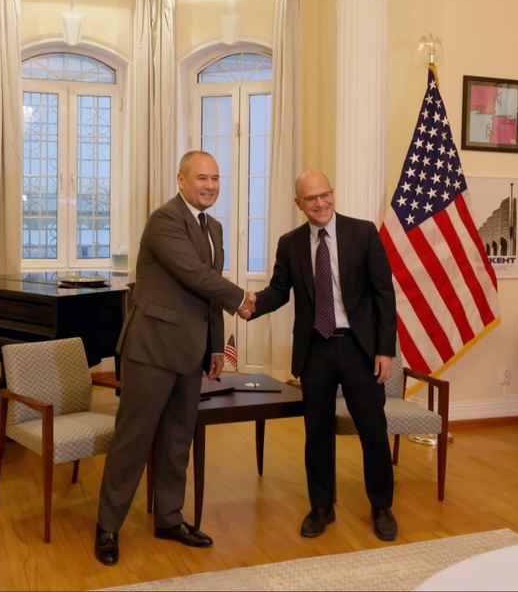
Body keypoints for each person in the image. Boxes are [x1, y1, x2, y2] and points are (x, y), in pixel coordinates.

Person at [94, 150, 256, 566]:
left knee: (177, 440)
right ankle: (108, 527)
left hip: (190, 352)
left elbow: (208, 289)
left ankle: (168, 518)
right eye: (202, 178)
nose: (210, 185)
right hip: (151, 349)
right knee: (133, 441)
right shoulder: (165, 219)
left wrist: (216, 346)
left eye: (215, 178)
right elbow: (194, 274)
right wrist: (241, 297)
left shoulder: (214, 227)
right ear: (181, 180)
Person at [245, 169, 399, 541]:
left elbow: (384, 295)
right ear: (298, 203)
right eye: (311, 198)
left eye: (324, 194)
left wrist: (385, 349)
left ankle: (381, 506)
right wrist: (250, 303)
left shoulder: (363, 233)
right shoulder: (290, 243)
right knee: (316, 432)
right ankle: (321, 507)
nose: (320, 203)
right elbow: (279, 291)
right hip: (316, 349)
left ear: (333, 193)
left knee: (372, 431)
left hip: (360, 349)